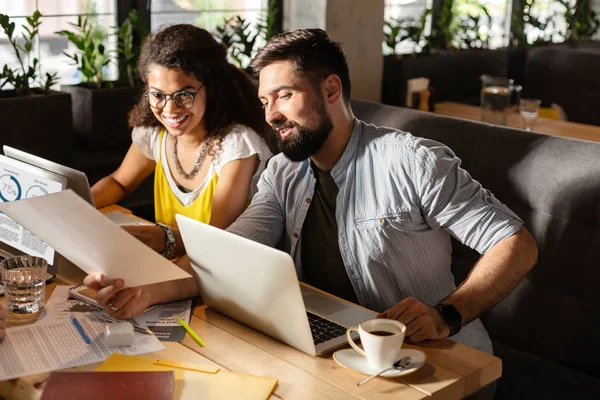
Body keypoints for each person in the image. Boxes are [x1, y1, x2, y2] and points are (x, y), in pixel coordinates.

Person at [84, 29, 538, 355]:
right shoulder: (283, 173)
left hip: (440, 358)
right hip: (339, 352)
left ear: (331, 89)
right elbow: (226, 255)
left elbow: (515, 244)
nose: (272, 115)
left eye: (283, 96)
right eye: (264, 102)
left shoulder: (412, 160)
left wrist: (449, 313)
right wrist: (144, 291)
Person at [91, 24, 272, 258]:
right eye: (157, 95)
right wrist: (77, 204)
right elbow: (119, 182)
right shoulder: (154, 134)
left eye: (184, 95)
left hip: (221, 271)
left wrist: (162, 238)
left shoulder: (237, 145)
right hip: (171, 265)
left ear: (211, 89)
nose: (169, 109)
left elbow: (216, 235)